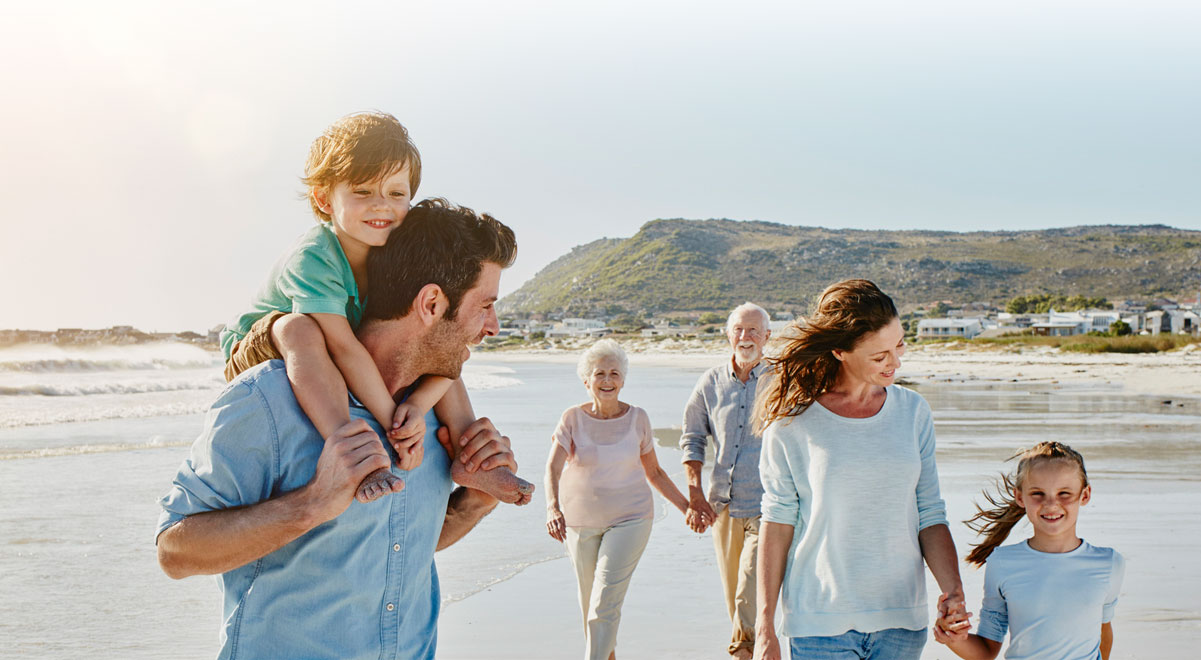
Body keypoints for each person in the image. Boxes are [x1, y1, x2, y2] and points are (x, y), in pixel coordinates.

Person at [157, 199, 525, 659]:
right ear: (431, 303)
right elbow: (175, 552)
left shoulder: (432, 413)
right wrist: (311, 505)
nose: (493, 326)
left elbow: (399, 553)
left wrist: (474, 502)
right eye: (486, 305)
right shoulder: (269, 399)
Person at [219, 111, 531, 505]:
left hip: (332, 340)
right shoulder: (315, 257)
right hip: (260, 343)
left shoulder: (390, 252)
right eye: (363, 192)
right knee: (300, 329)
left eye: (396, 194)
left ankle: (475, 458)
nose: (381, 207)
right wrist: (393, 424)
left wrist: (416, 407)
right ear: (323, 199)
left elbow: (442, 356)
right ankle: (351, 448)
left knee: (441, 337)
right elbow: (344, 347)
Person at [754, 279, 965, 660]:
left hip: (901, 621)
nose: (895, 362)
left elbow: (930, 512)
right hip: (820, 622)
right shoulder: (792, 423)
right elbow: (778, 522)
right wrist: (765, 625)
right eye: (879, 355)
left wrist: (953, 592)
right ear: (840, 350)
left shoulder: (913, 412)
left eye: (899, 345)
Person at [544, 339, 691, 660]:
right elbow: (552, 467)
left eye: (614, 373)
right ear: (586, 381)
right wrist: (552, 508)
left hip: (631, 519)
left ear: (623, 379)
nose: (607, 381)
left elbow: (655, 473)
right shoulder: (571, 418)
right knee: (591, 608)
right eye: (599, 374)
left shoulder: (638, 418)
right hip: (579, 524)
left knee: (603, 603)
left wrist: (687, 508)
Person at [932, 442, 1125, 660]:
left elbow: (1103, 630)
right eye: (1038, 493)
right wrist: (953, 637)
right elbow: (986, 651)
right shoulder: (1002, 563)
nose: (1051, 504)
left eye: (1064, 493)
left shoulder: (1109, 563)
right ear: (1020, 497)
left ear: (1085, 495)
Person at [680, 301, 773, 659]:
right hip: (723, 505)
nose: (745, 337)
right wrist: (695, 493)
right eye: (738, 329)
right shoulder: (710, 381)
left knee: (748, 588)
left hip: (769, 504)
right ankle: (757, 645)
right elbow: (692, 436)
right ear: (728, 334)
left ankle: (742, 653)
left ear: (767, 336)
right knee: (734, 591)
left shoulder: (781, 378)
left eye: (753, 330)